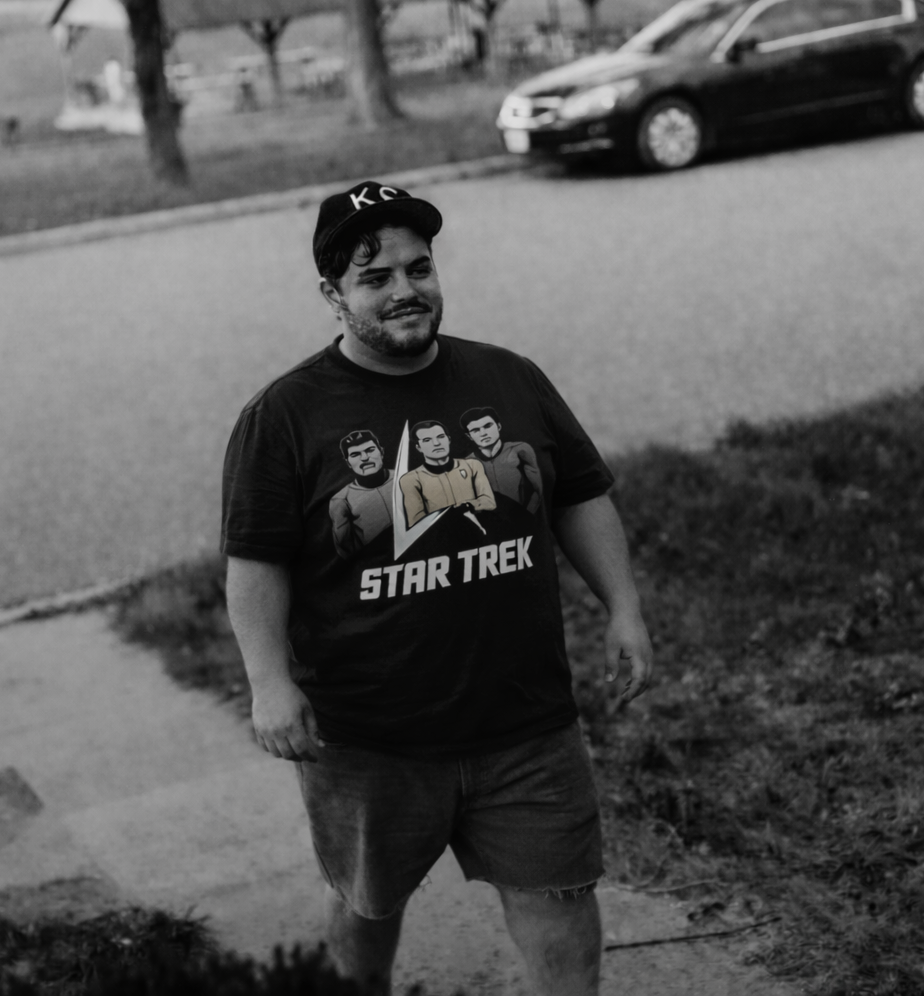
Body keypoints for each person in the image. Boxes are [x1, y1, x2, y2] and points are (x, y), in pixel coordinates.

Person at [220, 180, 654, 996]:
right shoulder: (284, 416)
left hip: (524, 717)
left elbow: (579, 493)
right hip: (370, 736)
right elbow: (255, 561)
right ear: (333, 294)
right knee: (367, 903)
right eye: (374, 278)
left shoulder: (510, 379)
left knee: (560, 895)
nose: (404, 291)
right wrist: (269, 684)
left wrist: (624, 609)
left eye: (418, 269)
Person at [396, 419, 496, 528]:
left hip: (479, 529)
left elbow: (489, 502)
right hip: (442, 536)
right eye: (427, 440)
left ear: (448, 439)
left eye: (440, 437)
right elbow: (416, 521)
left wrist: (468, 505)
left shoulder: (472, 465)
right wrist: (451, 514)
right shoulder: (411, 479)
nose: (437, 443)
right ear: (418, 447)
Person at [461, 406, 544, 515]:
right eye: (475, 430)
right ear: (469, 436)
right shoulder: (467, 464)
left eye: (488, 426)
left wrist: (526, 516)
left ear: (498, 426)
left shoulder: (520, 450)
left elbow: (537, 490)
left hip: (524, 520)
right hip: (490, 526)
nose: (483, 433)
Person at [328, 429, 395, 559]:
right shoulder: (341, 500)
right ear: (348, 462)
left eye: (370, 450)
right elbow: (344, 550)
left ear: (381, 452)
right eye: (355, 455)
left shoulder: (407, 477)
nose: (364, 458)